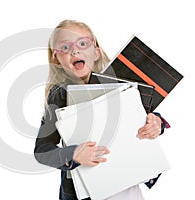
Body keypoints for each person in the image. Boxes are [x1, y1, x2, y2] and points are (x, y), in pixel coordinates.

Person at [34, 20, 168, 200]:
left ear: (96, 52)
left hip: (127, 188)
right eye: (65, 47)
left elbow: (143, 115)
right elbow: (42, 151)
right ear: (56, 59)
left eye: (82, 43)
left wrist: (156, 124)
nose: (75, 50)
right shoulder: (59, 96)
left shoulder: (120, 84)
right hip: (86, 192)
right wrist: (73, 154)